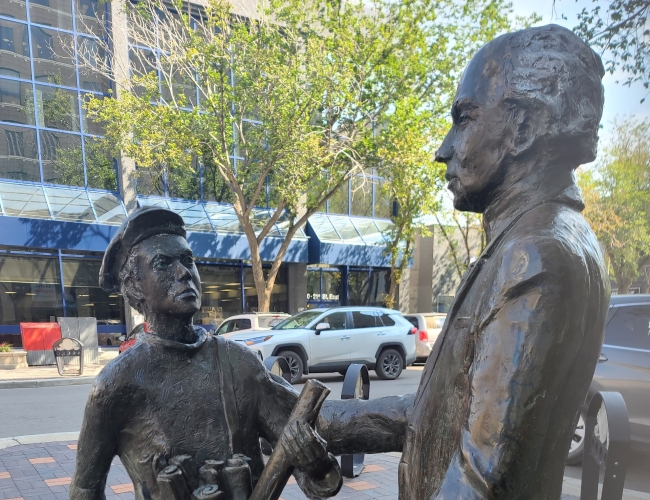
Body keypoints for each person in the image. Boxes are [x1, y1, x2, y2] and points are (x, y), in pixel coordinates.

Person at [395, 24, 611, 499]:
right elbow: (457, 403)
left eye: (465, 118)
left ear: (523, 128)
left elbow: (479, 476)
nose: (443, 149)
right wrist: (329, 419)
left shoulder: (532, 254)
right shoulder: (539, 237)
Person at [70, 206, 347, 500]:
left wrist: (316, 463)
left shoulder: (240, 364)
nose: (183, 272)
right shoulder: (116, 383)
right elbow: (85, 490)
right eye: (163, 263)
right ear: (135, 287)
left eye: (188, 260)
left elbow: (309, 468)